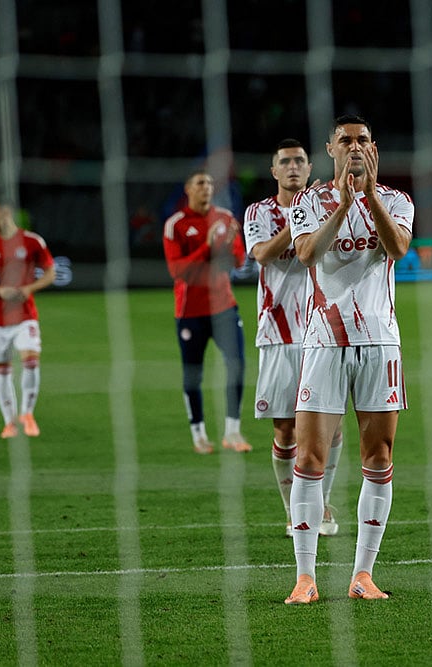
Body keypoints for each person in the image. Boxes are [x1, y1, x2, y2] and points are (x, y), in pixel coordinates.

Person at [283, 115, 413, 604]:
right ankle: (305, 577)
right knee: (309, 457)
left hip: (380, 343)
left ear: (373, 148)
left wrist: (370, 194)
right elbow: (307, 254)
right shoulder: (308, 202)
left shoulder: (397, 200)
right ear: (330, 148)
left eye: (362, 140)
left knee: (378, 458)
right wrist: (341, 204)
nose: (354, 147)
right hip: (324, 342)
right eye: (346, 141)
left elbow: (398, 247)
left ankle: (363, 574)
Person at [243, 138, 341, 538]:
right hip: (279, 332)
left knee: (330, 427)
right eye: (285, 161)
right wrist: (298, 220)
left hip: (325, 329)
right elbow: (263, 254)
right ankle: (291, 510)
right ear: (274, 171)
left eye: (300, 160)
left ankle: (320, 507)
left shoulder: (326, 206)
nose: (294, 167)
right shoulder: (259, 212)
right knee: (285, 429)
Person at [163, 169, 251, 455]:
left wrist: (228, 247)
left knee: (237, 366)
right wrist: (207, 247)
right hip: (190, 311)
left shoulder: (225, 218)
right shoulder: (175, 225)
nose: (207, 188)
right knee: (193, 375)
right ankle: (199, 434)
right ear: (188, 188)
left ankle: (232, 432)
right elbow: (178, 271)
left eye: (211, 183)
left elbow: (238, 262)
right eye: (201, 183)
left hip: (224, 307)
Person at [0, 199, 56, 438]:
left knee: (31, 360)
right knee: (3, 369)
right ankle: (9, 422)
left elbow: (51, 272)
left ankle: (27, 414)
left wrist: (29, 289)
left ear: (4, 213)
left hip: (25, 314)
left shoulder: (31, 241)